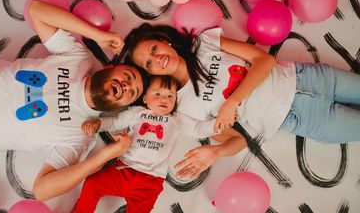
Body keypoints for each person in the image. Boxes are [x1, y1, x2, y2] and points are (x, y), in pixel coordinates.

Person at [0, 0, 147, 201]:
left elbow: (42, 189)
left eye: (132, 93)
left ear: (121, 106)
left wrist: (104, 156)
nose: (127, 86)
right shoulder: (78, 59)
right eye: (128, 76)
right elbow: (37, 10)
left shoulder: (81, 136)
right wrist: (98, 36)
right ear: (110, 68)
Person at [121, 23, 360, 179]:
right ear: (150, 73)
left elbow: (264, 61)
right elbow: (238, 140)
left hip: (308, 78)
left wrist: (232, 102)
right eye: (148, 63)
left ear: (164, 42)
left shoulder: (204, 43)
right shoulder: (183, 111)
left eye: (153, 49)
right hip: (302, 119)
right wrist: (216, 152)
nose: (157, 59)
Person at [56, 75, 217, 213]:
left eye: (170, 96)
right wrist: (98, 123)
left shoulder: (176, 120)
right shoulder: (136, 113)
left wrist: (219, 124)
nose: (164, 99)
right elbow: (114, 122)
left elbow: (198, 129)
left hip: (150, 182)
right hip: (124, 170)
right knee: (93, 184)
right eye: (158, 94)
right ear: (145, 98)